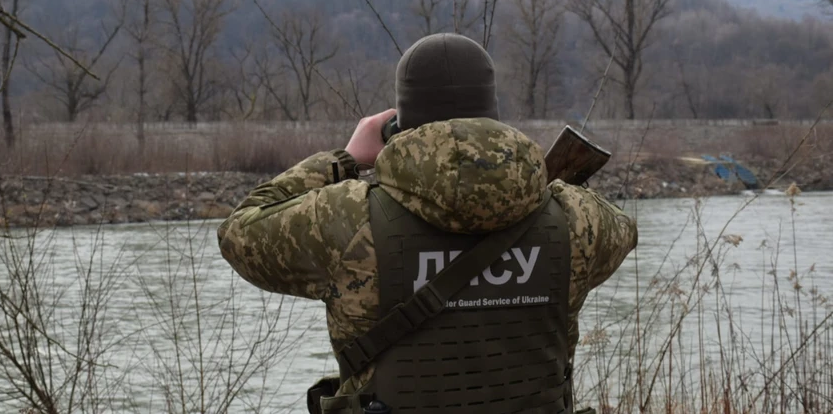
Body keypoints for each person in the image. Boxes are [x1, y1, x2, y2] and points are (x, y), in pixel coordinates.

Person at [217, 33, 638, 414]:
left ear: (401, 124)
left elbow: (239, 232)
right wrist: (526, 182)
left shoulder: (345, 221)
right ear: (493, 115)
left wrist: (343, 160)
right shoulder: (576, 220)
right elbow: (624, 229)